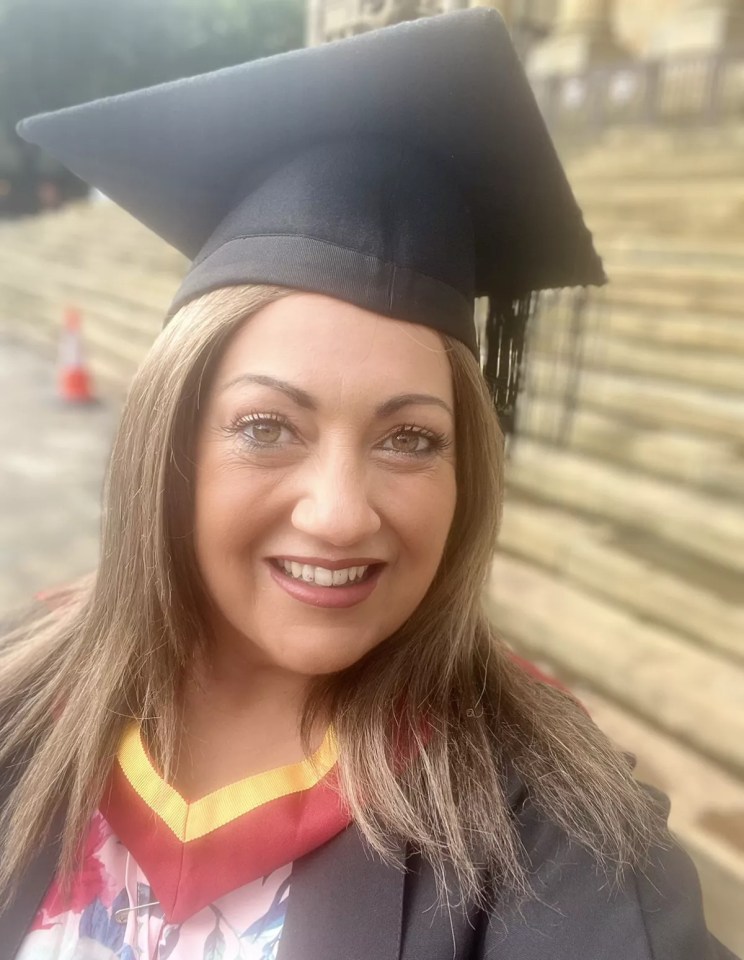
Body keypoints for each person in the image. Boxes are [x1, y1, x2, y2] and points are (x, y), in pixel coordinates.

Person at [1, 9, 737, 959]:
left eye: (410, 439)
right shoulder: (25, 691)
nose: (341, 513)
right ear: (169, 440)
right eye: (267, 427)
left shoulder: (552, 831)